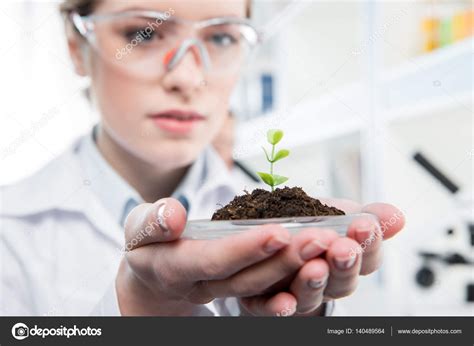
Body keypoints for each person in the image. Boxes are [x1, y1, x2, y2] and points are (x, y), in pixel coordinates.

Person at [0, 0, 404, 317]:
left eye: (222, 38)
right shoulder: (10, 230)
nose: (189, 78)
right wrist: (139, 312)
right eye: (144, 35)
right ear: (75, 45)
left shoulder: (279, 226)